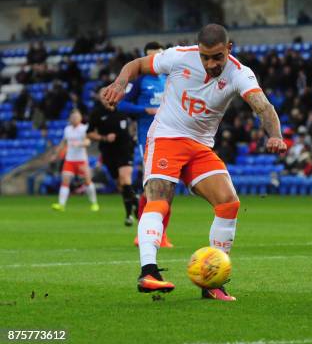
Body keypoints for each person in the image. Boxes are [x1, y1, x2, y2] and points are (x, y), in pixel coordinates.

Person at [101, 24, 287, 300]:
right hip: (166, 137)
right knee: (160, 200)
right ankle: (149, 271)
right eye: (205, 57)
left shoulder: (240, 73)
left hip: (200, 146)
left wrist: (275, 136)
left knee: (229, 203)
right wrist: (119, 84)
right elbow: (137, 64)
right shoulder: (180, 56)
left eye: (217, 57)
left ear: (229, 49)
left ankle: (213, 281)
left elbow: (263, 106)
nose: (210, 63)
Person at [117, 41, 173, 247]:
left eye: (157, 57)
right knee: (152, 187)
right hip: (148, 138)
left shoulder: (169, 79)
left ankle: (162, 235)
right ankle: (143, 234)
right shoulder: (140, 80)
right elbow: (122, 104)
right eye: (150, 58)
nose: (154, 62)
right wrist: (144, 110)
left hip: (172, 138)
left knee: (167, 190)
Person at [87, 88, 138, 227]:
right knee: (121, 184)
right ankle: (134, 204)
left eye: (106, 95)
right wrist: (104, 137)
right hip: (108, 152)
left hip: (125, 149)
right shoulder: (97, 113)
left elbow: (135, 120)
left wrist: (133, 135)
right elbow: (89, 133)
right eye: (102, 96)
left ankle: (134, 212)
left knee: (125, 178)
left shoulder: (122, 109)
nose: (105, 98)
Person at [51, 110, 99, 212]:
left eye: (76, 117)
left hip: (81, 160)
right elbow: (63, 142)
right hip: (70, 160)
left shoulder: (84, 128)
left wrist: (80, 144)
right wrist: (56, 154)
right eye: (73, 117)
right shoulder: (67, 129)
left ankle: (94, 203)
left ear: (80, 118)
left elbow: (88, 142)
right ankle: (61, 205)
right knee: (65, 180)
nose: (74, 119)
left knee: (87, 181)